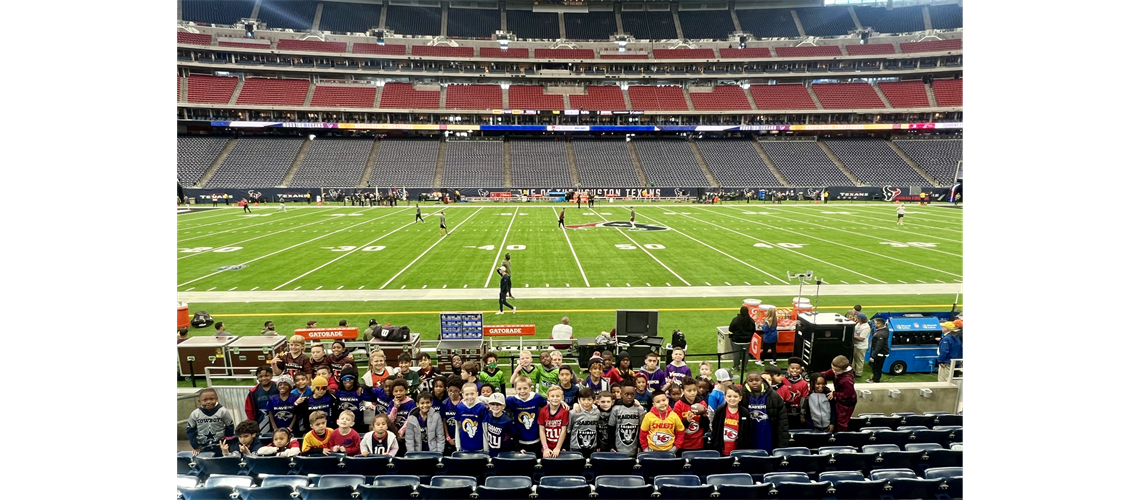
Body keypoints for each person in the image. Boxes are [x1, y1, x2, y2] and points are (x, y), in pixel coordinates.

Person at [743, 371, 790, 454]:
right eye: (751, 380)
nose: (754, 382)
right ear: (747, 382)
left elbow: (782, 422)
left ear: (762, 380)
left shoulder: (774, 396)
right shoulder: (741, 396)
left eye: (757, 380)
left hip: (768, 434)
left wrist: (782, 444)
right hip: (749, 435)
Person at [187, 388, 235, 457]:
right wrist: (195, 446)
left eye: (212, 399)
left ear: (217, 399)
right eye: (205, 400)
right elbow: (190, 430)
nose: (208, 402)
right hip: (202, 446)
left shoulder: (223, 411)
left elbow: (230, 426)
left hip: (220, 445)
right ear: (199, 401)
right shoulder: (195, 414)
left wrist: (228, 443)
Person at [506, 376, 546, 455]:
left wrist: (562, 402)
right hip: (520, 439)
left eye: (525, 388)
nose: (522, 391)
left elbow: (550, 403)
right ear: (515, 389)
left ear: (530, 388)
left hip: (536, 438)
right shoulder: (511, 400)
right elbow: (497, 404)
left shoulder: (536, 398)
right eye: (519, 389)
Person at [709, 385, 753, 456]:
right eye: (729, 396)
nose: (732, 399)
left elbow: (748, 431)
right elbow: (715, 427)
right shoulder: (720, 410)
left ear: (740, 398)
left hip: (738, 450)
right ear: (725, 398)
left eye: (735, 396)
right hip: (721, 449)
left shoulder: (745, 412)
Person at [640, 390, 684, 454]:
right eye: (658, 402)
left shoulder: (674, 416)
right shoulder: (648, 416)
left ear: (668, 400)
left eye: (664, 400)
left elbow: (681, 431)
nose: (662, 403)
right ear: (654, 404)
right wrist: (645, 448)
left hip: (670, 450)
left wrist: (676, 447)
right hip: (652, 450)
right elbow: (643, 434)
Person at [820, 356, 857, 432]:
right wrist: (817, 376)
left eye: (836, 371)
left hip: (846, 403)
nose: (833, 372)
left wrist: (835, 394)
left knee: (841, 421)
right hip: (840, 400)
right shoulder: (836, 371)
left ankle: (841, 435)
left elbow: (848, 394)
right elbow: (828, 373)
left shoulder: (847, 380)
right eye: (832, 368)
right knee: (837, 417)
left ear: (844, 369)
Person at [672, 377, 708, 454]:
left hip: (698, 444)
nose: (692, 393)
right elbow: (676, 427)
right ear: (682, 391)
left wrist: (704, 416)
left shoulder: (702, 404)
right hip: (682, 444)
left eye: (694, 390)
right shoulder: (678, 405)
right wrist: (686, 421)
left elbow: (705, 426)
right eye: (689, 391)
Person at [566, 386, 601, 458]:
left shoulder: (597, 412)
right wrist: (565, 446)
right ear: (579, 400)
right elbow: (568, 431)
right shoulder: (573, 413)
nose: (586, 402)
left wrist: (598, 445)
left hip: (592, 448)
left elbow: (597, 428)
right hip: (576, 448)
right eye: (583, 399)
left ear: (594, 400)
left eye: (589, 399)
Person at [777, 357, 809, 430]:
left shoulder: (804, 383)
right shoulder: (782, 380)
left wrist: (802, 415)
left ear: (801, 369)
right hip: (784, 411)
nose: (794, 370)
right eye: (792, 368)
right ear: (788, 368)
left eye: (797, 368)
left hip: (797, 412)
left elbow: (804, 399)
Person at [538, 385, 570, 457]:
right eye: (552, 396)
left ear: (562, 397)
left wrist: (558, 448)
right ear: (548, 398)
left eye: (558, 396)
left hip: (559, 445)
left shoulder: (564, 411)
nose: (555, 398)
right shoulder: (543, 411)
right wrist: (545, 447)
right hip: (547, 444)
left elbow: (563, 431)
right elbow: (541, 430)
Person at [245, 366, 278, 436]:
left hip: (278, 422)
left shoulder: (279, 387)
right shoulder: (253, 392)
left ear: (272, 376)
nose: (264, 378)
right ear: (257, 378)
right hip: (260, 422)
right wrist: (252, 424)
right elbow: (249, 410)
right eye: (260, 376)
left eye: (267, 376)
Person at [456, 383, 488, 453]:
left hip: (479, 447)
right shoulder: (459, 407)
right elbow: (457, 427)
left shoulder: (481, 407)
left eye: (472, 394)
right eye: (467, 394)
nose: (470, 396)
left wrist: (486, 448)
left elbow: (485, 429)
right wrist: (458, 446)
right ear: (462, 395)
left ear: (477, 394)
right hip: (464, 447)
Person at [482, 392, 513, 457]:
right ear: (489, 405)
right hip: (491, 450)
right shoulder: (488, 414)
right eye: (493, 404)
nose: (495, 406)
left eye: (498, 404)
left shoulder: (507, 420)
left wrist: (519, 448)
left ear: (503, 406)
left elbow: (514, 435)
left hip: (504, 452)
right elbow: (480, 399)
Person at [728, 306, 756, 372]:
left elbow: (731, 329)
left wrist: (731, 337)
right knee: (745, 354)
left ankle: (736, 367)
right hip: (747, 341)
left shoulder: (736, 320)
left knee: (736, 353)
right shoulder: (751, 320)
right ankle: (744, 368)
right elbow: (753, 330)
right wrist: (749, 337)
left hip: (736, 340)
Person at [868, 317, 891, 383]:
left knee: (876, 368)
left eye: (875, 323)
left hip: (880, 354)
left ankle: (876, 380)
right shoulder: (884, 330)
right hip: (880, 353)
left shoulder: (880, 334)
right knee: (876, 367)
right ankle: (874, 378)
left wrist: (873, 356)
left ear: (879, 324)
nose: (874, 325)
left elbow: (879, 346)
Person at [852, 313, 870, 378]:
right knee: (855, 359)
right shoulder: (859, 324)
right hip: (856, 344)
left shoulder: (866, 327)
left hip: (861, 346)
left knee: (859, 360)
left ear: (860, 319)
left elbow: (861, 338)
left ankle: (858, 373)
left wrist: (852, 335)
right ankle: (855, 371)